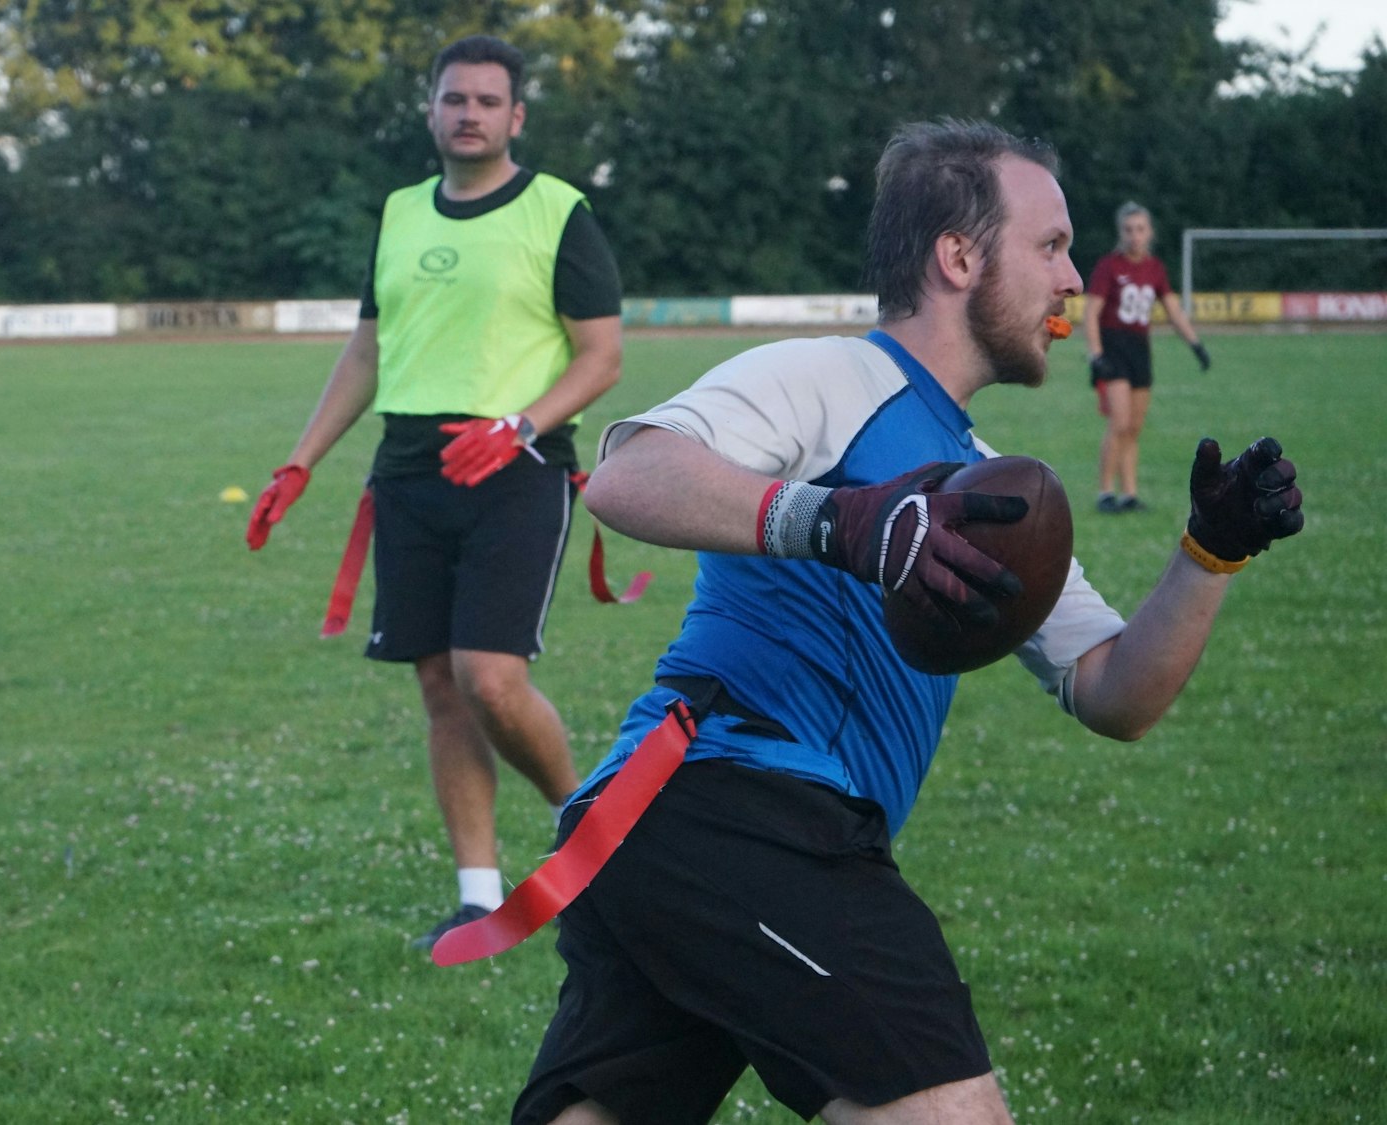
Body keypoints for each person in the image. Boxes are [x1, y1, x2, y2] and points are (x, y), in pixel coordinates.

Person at [511, 120, 1302, 1125]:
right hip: (732, 807)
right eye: (1050, 247)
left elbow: (1115, 692)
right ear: (957, 255)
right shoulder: (832, 378)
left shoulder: (982, 489)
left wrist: (1207, 553)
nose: (1072, 283)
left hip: (681, 829)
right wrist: (842, 519)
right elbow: (628, 475)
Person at [244, 34, 624, 951]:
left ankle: (593, 833)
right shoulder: (401, 212)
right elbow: (369, 349)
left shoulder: (558, 211)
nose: (470, 114)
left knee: (490, 680)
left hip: (514, 468)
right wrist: (301, 460)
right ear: (431, 110)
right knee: (439, 689)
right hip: (411, 470)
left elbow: (603, 355)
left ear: (515, 116)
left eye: (488, 102)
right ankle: (477, 894)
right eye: (455, 99)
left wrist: (519, 428)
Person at [1083, 201, 1211, 513]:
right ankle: (1104, 493)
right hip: (1114, 347)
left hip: (1140, 348)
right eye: (1128, 230)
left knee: (1134, 427)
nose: (1134, 236)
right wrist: (1096, 354)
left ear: (1149, 232)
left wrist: (1196, 345)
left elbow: (1173, 311)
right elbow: (1090, 314)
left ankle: (1129, 494)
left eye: (1140, 229)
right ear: (1121, 232)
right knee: (1119, 422)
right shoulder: (1109, 266)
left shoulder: (1154, 268)